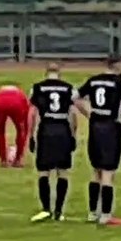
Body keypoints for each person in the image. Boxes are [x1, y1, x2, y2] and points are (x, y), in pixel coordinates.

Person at [76, 55, 121, 226]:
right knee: (108, 172)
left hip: (95, 127)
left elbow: (75, 97)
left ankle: (92, 212)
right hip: (111, 127)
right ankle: (106, 214)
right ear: (118, 65)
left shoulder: (93, 81)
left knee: (96, 171)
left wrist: (89, 114)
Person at [28, 64, 79, 222]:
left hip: (46, 128)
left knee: (44, 171)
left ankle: (45, 209)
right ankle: (59, 210)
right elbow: (73, 115)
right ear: (59, 73)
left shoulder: (37, 88)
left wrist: (31, 135)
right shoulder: (69, 88)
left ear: (46, 72)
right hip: (62, 128)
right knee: (62, 171)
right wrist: (73, 135)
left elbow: (32, 113)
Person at [0, 83, 30, 168]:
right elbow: (26, 126)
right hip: (17, 101)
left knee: (0, 131)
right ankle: (18, 160)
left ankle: (3, 160)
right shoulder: (22, 95)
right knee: (21, 130)